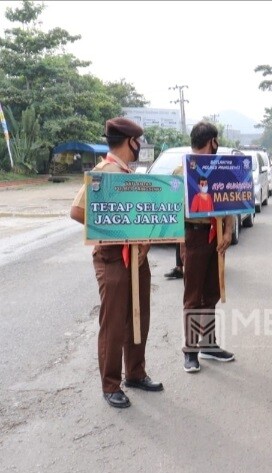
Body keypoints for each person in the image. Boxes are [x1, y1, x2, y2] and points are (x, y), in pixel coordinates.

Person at [70, 117, 163, 409]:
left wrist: (143, 238)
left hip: (138, 257)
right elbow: (77, 211)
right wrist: (111, 229)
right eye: (139, 142)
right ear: (131, 142)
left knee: (139, 315)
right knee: (114, 323)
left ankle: (135, 373)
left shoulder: (129, 173)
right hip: (112, 258)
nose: (140, 147)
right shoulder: (104, 173)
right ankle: (110, 384)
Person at [182, 121, 236, 373]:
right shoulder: (181, 170)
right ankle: (190, 351)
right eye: (216, 141)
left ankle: (208, 344)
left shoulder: (219, 168)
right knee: (193, 297)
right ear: (212, 141)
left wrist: (227, 229)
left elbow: (231, 199)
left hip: (215, 237)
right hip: (193, 236)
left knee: (211, 293)